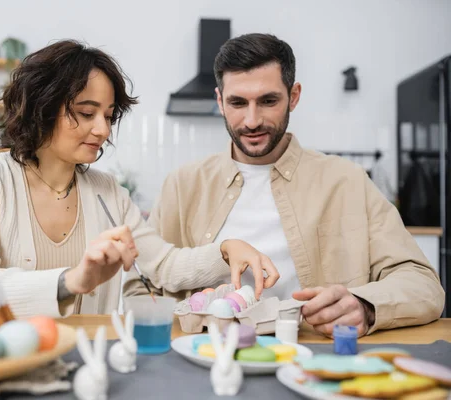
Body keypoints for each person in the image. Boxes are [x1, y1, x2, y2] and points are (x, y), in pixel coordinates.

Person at [0, 40, 280, 319]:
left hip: (92, 362)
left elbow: (163, 265)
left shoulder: (107, 192)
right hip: (10, 364)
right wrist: (72, 280)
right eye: (86, 112)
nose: (103, 130)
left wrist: (225, 249)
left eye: (108, 116)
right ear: (42, 106)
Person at [149, 33, 445, 337]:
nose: (252, 121)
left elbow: (423, 284)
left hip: (312, 360)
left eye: (268, 101)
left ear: (293, 96)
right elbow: (141, 287)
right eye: (238, 102)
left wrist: (366, 306)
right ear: (220, 102)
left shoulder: (347, 182)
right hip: (204, 356)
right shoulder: (182, 185)